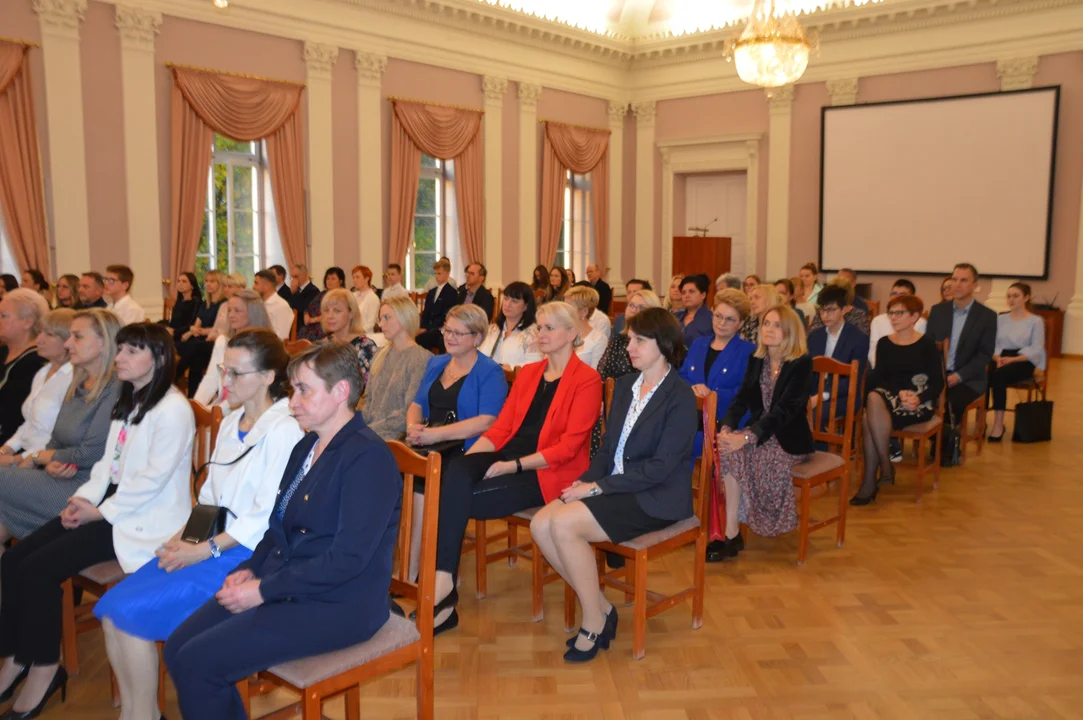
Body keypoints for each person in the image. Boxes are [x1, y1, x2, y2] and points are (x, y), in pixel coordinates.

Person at [165, 343, 402, 720]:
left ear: (341, 392)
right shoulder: (307, 444)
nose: (293, 402)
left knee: (198, 663)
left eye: (304, 390)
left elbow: (347, 559)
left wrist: (262, 589)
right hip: (289, 584)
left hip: (340, 603)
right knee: (177, 647)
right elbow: (277, 525)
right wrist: (251, 569)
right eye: (293, 390)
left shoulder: (368, 459)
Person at [93, 329, 302, 720]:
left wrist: (203, 551)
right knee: (111, 610)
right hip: (212, 543)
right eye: (225, 370)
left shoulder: (285, 429)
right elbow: (208, 498)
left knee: (130, 617)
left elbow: (263, 519)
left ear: (269, 377)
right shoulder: (232, 421)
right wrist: (179, 540)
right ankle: (141, 713)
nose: (226, 382)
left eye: (237, 374)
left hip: (247, 557)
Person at [0, 323, 193, 718]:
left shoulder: (173, 408)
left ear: (157, 359)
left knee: (38, 570)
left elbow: (152, 480)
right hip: (111, 507)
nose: (118, 358)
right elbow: (109, 463)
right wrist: (81, 499)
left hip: (144, 520)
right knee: (14, 561)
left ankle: (44, 667)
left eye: (130, 351)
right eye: (119, 349)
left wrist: (101, 511)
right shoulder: (131, 398)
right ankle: (17, 655)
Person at [530, 308, 696, 662]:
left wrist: (597, 488)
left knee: (563, 523)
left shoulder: (679, 396)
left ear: (663, 344)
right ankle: (602, 607)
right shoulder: (623, 386)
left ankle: (593, 621)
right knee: (540, 525)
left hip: (655, 496)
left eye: (639, 340)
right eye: (629, 339)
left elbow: (661, 468)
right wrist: (585, 481)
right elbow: (607, 449)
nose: (630, 347)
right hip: (616, 485)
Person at [423, 302, 600, 634]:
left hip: (546, 471)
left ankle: (441, 594)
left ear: (572, 334)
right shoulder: (530, 373)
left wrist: (511, 466)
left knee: (457, 498)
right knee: (455, 474)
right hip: (507, 454)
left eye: (549, 328)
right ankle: (443, 581)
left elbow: (567, 448)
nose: (541, 334)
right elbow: (501, 429)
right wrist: (471, 460)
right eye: (539, 327)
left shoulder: (587, 380)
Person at [0, 309, 122, 545]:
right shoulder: (79, 382)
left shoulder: (114, 388)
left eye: (77, 337)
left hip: (86, 486)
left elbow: (92, 452)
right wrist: (51, 461)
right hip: (58, 476)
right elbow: (55, 440)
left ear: (104, 342)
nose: (68, 343)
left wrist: (41, 457)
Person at [715, 307, 813, 555]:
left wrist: (747, 437)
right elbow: (741, 399)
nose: (768, 329)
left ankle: (749, 524)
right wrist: (727, 428)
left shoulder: (801, 363)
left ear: (790, 332)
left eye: (776, 325)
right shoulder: (757, 359)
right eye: (766, 324)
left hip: (788, 437)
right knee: (727, 451)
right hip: (760, 430)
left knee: (755, 455)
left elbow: (785, 411)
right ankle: (731, 532)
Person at [678, 290, 755, 561]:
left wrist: (712, 396)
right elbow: (681, 378)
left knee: (725, 450)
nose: (721, 323)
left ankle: (726, 532)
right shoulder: (699, 344)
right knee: (669, 443)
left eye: (730, 320)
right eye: (718, 316)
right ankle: (681, 517)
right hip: (693, 423)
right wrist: (692, 388)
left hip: (727, 424)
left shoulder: (749, 352)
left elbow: (746, 394)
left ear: (741, 323)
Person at [852, 294, 944, 505]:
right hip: (890, 397)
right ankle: (885, 465)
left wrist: (917, 397)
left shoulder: (927, 344)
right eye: (891, 312)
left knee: (868, 418)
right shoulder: (885, 343)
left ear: (914, 317)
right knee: (874, 397)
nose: (893, 317)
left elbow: (938, 383)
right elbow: (880, 379)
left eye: (899, 313)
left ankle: (871, 481)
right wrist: (899, 392)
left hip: (918, 403)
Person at [406, 305, 506, 453]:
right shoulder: (435, 363)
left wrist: (435, 435)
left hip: (465, 451)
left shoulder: (491, 372)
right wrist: (412, 429)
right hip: (427, 444)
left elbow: (486, 421)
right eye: (447, 330)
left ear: (477, 337)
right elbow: (417, 404)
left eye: (458, 333)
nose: (449, 337)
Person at [0, 309, 74, 470]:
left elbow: (55, 439)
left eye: (48, 335)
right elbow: (29, 423)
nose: (39, 340)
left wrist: (15, 459)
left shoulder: (72, 379)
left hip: (44, 461)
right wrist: (5, 449)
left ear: (68, 341)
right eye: (40, 333)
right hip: (25, 453)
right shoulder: (43, 372)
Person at [593, 290, 664, 456]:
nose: (634, 310)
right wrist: (600, 400)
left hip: (639, 405)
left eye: (641, 307)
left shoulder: (655, 345)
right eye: (631, 305)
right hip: (612, 402)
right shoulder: (619, 339)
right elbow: (601, 373)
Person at [926, 263, 996, 427]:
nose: (957, 285)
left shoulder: (987, 316)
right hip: (939, 375)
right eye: (955, 279)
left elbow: (984, 355)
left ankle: (945, 448)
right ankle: (932, 442)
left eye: (963, 280)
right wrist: (938, 375)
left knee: (950, 403)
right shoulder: (938, 311)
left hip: (968, 379)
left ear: (975, 285)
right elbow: (929, 347)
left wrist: (958, 376)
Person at [362, 297, 431, 441]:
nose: (380, 324)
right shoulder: (380, 355)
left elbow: (409, 411)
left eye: (387, 318)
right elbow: (367, 399)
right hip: (370, 433)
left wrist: (368, 431)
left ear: (404, 318)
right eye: (380, 319)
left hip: (396, 438)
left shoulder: (421, 358)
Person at [193, 291, 274, 414]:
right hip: (222, 407)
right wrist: (196, 407)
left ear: (253, 313)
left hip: (249, 410)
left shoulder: (264, 345)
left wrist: (213, 412)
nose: (231, 315)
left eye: (237, 310)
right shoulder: (223, 341)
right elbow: (211, 378)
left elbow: (246, 392)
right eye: (229, 310)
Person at [987, 282, 1046, 442]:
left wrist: (1012, 359)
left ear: (1026, 298)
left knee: (999, 376)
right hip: (1002, 357)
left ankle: (998, 423)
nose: (1011, 300)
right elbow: (994, 343)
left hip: (1023, 359)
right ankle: (981, 418)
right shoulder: (1001, 318)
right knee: (984, 373)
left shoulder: (1035, 321)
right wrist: (998, 357)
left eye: (1016, 296)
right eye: (1009, 296)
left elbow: (1036, 348)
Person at [0, 290, 49, 446]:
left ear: (28, 322)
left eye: (3, 316)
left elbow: (14, 415)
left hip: (14, 444)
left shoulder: (36, 362)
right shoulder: (3, 351)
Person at [175, 270, 226, 395]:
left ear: (220, 284)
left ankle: (172, 376)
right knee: (196, 361)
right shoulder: (205, 304)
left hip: (214, 343)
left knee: (193, 347)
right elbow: (196, 326)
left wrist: (197, 331)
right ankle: (194, 398)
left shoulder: (223, 304)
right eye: (206, 281)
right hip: (201, 342)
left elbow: (217, 329)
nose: (208, 284)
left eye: (212, 281)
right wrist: (192, 331)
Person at [320, 288, 378, 390]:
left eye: (337, 310)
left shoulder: (365, 347)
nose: (330, 316)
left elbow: (367, 388)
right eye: (326, 310)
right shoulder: (322, 346)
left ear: (351, 313)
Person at [479, 281, 542, 369]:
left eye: (514, 301)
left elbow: (535, 365)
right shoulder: (492, 329)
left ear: (526, 306)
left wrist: (508, 368)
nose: (507, 304)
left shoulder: (534, 334)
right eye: (505, 298)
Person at [868, 280, 927, 367]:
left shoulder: (921, 322)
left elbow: (921, 353)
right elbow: (873, 352)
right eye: (894, 294)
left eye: (902, 295)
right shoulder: (878, 321)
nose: (897, 298)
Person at [417, 259, 459, 353]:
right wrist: (422, 326)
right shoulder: (432, 292)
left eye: (439, 273)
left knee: (421, 339)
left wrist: (427, 328)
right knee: (418, 337)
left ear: (447, 274)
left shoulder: (451, 293)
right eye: (435, 273)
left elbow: (445, 315)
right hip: (429, 327)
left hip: (440, 329)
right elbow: (426, 312)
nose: (436, 276)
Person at [807, 277, 871, 336]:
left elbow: (861, 340)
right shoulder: (822, 312)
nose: (825, 315)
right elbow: (812, 334)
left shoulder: (858, 315)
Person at [564, 285, 607, 371]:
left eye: (569, 307)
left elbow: (596, 374)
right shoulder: (561, 333)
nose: (563, 311)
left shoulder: (598, 339)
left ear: (584, 312)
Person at [297, 267, 345, 342]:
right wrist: (306, 314)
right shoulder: (322, 294)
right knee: (302, 331)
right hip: (311, 325)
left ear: (340, 281)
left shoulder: (342, 295)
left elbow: (334, 314)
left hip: (327, 327)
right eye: (328, 278)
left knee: (314, 335)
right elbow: (309, 307)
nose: (329, 281)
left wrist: (314, 320)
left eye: (333, 279)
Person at [253, 269, 294, 341]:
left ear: (267, 286)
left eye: (256, 283)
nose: (253, 287)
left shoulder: (281, 306)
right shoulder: (258, 304)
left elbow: (281, 337)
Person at [675, 275, 713, 346]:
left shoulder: (712, 319)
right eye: (684, 293)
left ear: (703, 295)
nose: (687, 295)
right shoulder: (675, 317)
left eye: (691, 291)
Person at [167, 272, 202, 344]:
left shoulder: (196, 302)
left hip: (186, 336)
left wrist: (174, 331)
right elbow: (173, 321)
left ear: (192, 285)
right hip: (175, 333)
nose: (180, 284)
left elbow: (191, 323)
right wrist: (167, 328)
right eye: (178, 281)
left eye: (184, 281)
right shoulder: (179, 301)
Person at [350, 265, 380, 334]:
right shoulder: (353, 296)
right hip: (352, 333)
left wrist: (356, 333)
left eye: (357, 277)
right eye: (353, 277)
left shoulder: (373, 298)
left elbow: (371, 323)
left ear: (366, 279)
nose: (354, 280)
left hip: (366, 335)